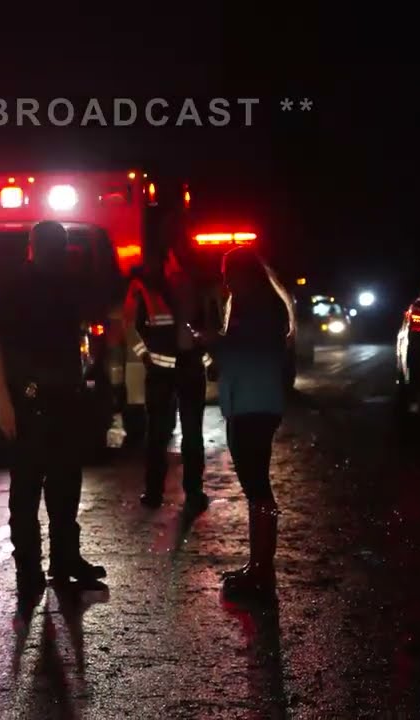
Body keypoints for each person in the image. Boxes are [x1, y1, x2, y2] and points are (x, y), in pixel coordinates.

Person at [0, 221, 107, 603]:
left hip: (64, 399)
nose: (58, 252)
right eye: (55, 246)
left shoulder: (66, 286)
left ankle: (64, 561)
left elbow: (82, 337)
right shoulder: (15, 288)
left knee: (64, 487)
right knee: (28, 491)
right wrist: (5, 403)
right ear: (36, 248)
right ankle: (30, 570)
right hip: (30, 402)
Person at [210, 246, 296, 597]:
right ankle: (258, 565)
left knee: (257, 485)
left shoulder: (260, 307)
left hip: (254, 404)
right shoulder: (258, 305)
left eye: (230, 272)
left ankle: (262, 570)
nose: (226, 280)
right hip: (249, 402)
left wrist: (214, 343)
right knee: (254, 485)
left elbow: (246, 350)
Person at [124, 226, 213, 514]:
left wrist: (208, 361)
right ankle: (158, 491)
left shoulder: (196, 284)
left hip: (183, 369)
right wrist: (146, 359)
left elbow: (209, 327)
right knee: (163, 433)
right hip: (168, 371)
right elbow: (130, 328)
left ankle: (187, 492)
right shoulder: (146, 286)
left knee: (184, 433)